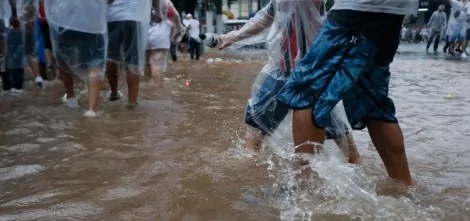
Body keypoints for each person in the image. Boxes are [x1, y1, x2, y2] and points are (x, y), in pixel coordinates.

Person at [276, 0, 418, 185]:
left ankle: (301, 187)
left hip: (359, 10)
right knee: (374, 103)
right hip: (392, 13)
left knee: (307, 90)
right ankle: (404, 188)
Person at [217, 0, 360, 163]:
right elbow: (266, 16)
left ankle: (355, 164)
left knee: (331, 124)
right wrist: (233, 37)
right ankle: (249, 171)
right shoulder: (279, 2)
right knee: (256, 119)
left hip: (309, 71)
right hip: (282, 69)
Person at [44, 0, 111, 116]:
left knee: (63, 58)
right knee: (95, 62)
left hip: (63, 19)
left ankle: (71, 97)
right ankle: (91, 110)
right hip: (93, 19)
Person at [105, 0, 151, 105]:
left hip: (111, 17)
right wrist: (158, 11)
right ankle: (132, 102)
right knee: (133, 59)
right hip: (133, 16)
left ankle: (114, 93)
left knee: (111, 57)